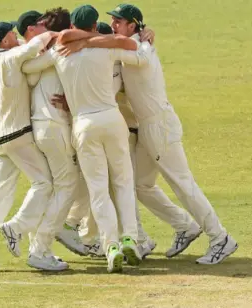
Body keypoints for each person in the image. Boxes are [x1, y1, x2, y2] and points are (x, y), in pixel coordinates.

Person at [21, 4, 153, 273]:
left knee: (98, 189)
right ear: (95, 26)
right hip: (112, 120)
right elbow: (140, 57)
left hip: (83, 125)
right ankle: (129, 237)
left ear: (73, 27)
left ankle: (111, 246)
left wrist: (47, 45)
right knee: (123, 182)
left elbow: (29, 67)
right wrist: (147, 39)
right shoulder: (105, 48)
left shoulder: (60, 51)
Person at [107, 3, 238, 264]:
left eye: (118, 22)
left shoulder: (139, 48)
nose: (113, 26)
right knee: (140, 185)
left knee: (183, 184)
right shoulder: (132, 46)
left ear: (132, 26)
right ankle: (185, 226)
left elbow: (134, 54)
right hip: (148, 127)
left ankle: (220, 238)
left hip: (160, 125)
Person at [0, 22, 58, 271]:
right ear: (5, 42)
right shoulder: (10, 58)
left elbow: (23, 48)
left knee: (0, 194)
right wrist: (56, 34)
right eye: (11, 33)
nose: (15, 35)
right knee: (44, 183)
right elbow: (34, 46)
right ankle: (16, 227)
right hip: (18, 135)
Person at [16, 9, 88, 269]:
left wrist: (42, 44)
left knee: (62, 186)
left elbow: (28, 69)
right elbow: (26, 67)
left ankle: (41, 244)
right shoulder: (60, 51)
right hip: (54, 127)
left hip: (43, 128)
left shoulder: (47, 55)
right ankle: (40, 249)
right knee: (67, 185)